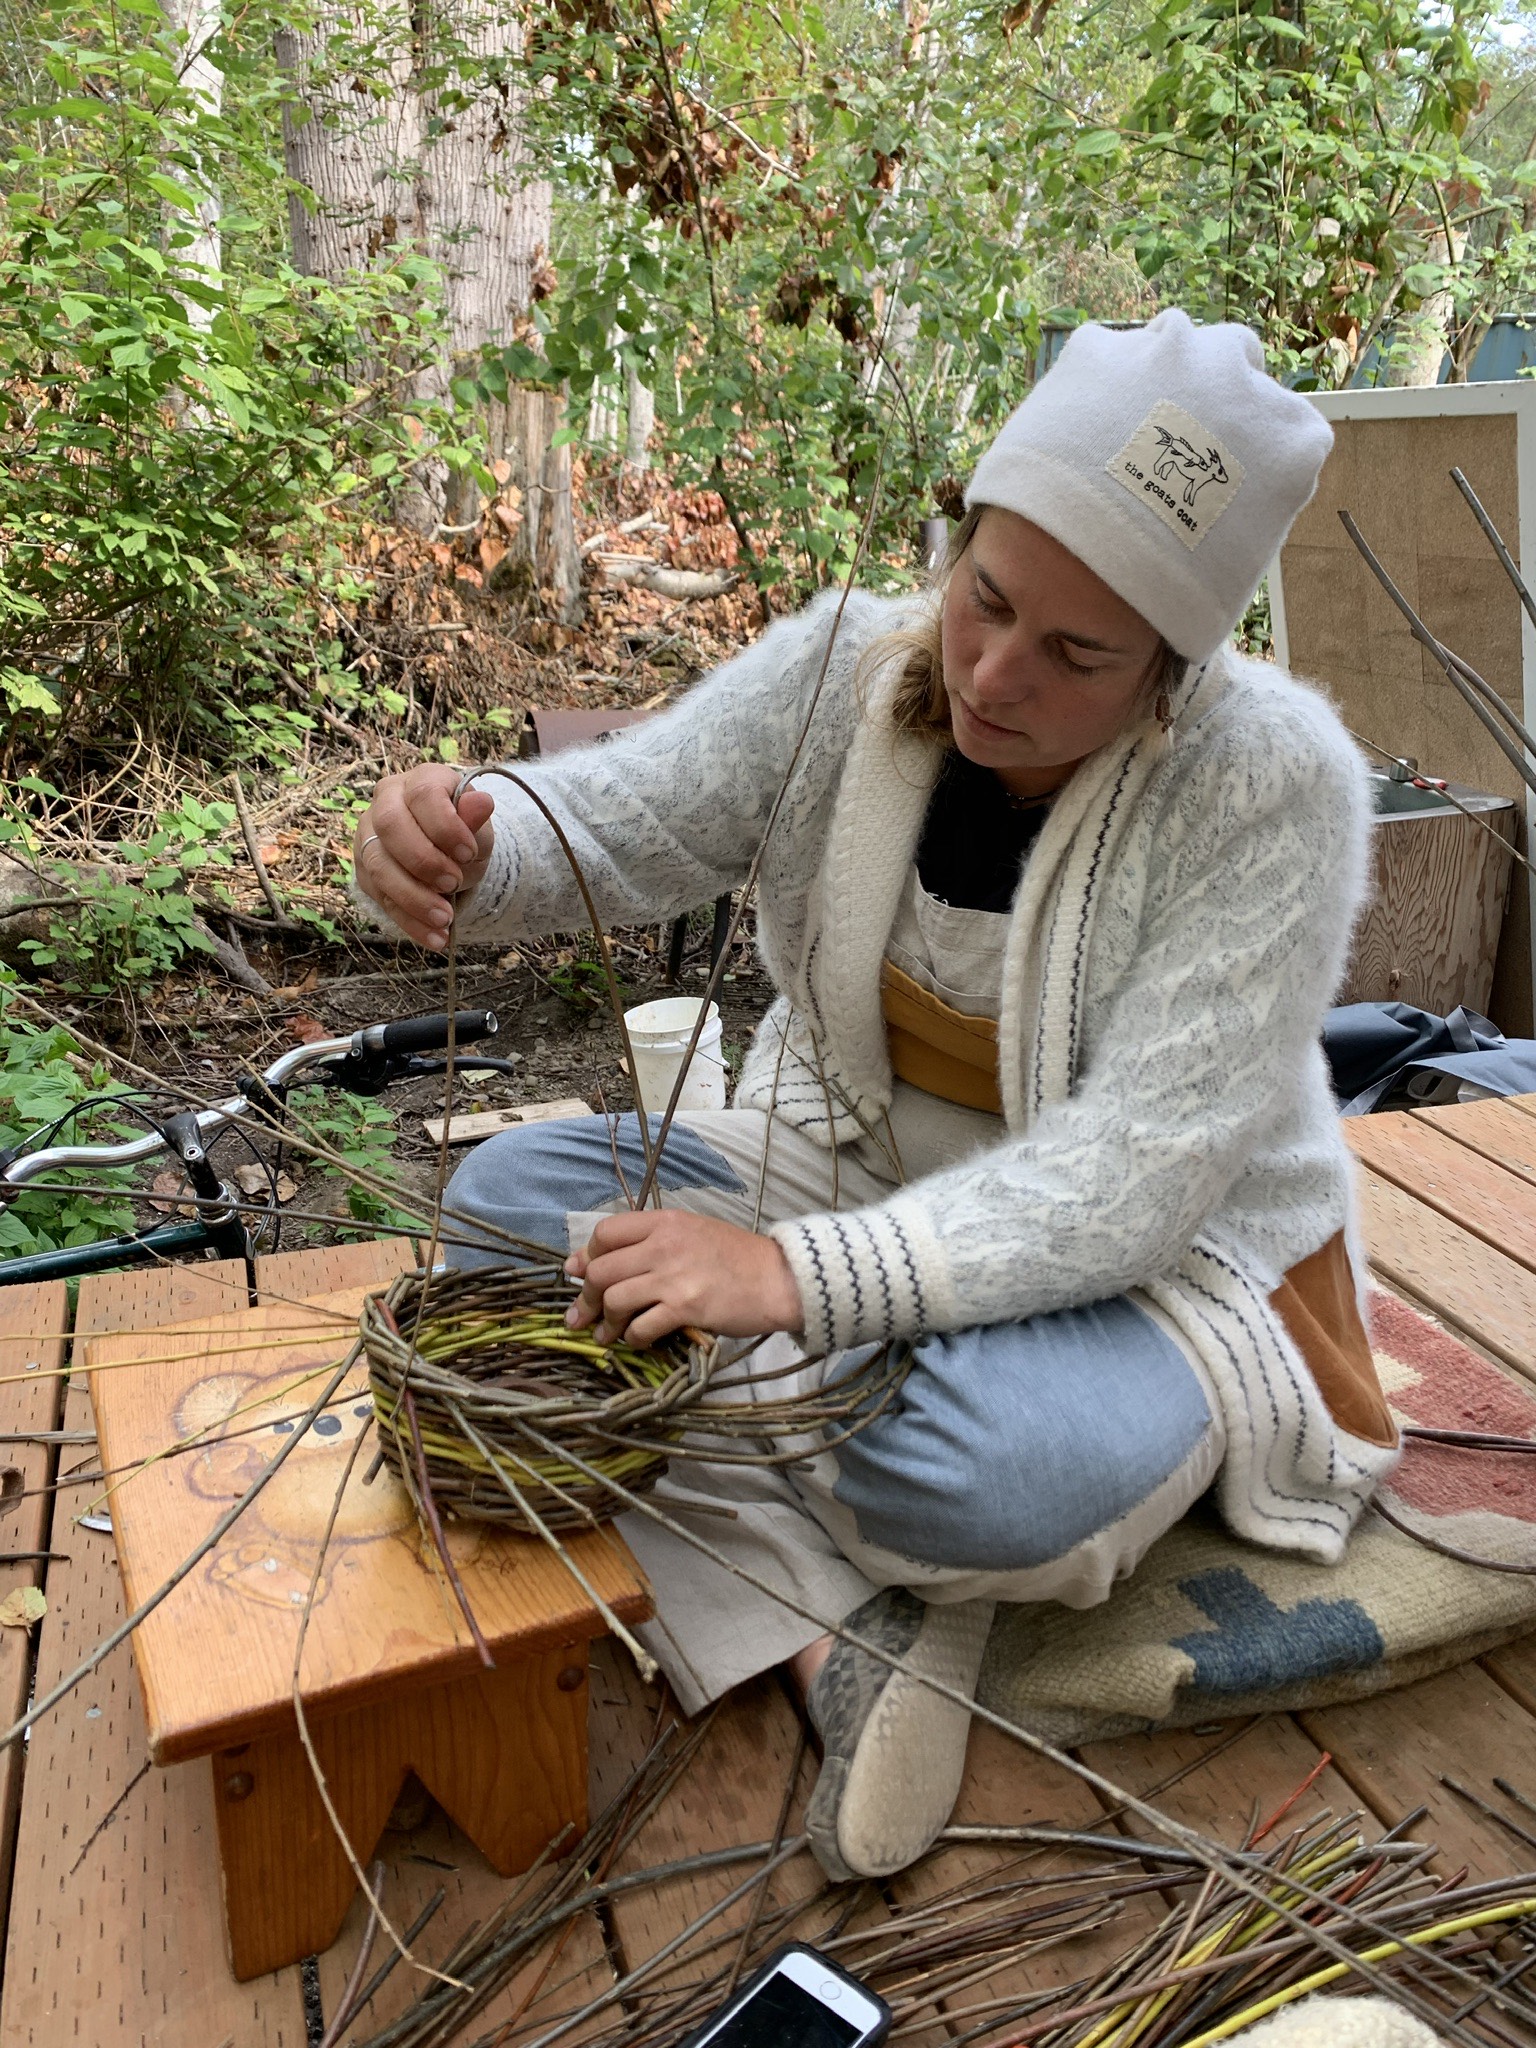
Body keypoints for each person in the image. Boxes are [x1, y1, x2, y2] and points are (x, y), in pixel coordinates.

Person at [353, 311, 1399, 1884]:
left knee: (980, 1474)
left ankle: (822, 1559)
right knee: (505, 1214)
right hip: (843, 1162)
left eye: (1077, 654)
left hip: (1159, 1270)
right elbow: (627, 817)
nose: (989, 672)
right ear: (962, 542)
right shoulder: (853, 666)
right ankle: (839, 1634)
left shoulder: (1275, 787)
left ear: (1177, 674)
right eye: (985, 598)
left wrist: (784, 1282)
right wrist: (473, 838)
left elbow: (1129, 1180)